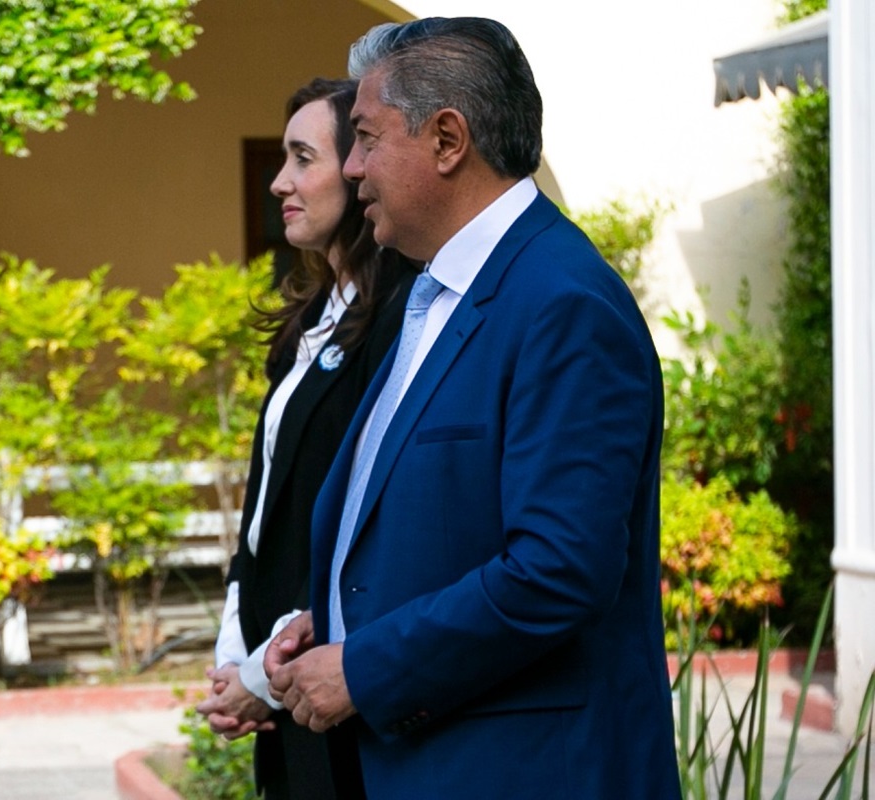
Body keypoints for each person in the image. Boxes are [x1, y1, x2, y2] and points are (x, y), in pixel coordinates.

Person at [265, 18, 682, 799]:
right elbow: (451, 521)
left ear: (448, 139)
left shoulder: (561, 303)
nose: (352, 170)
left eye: (365, 137)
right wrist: (346, 623)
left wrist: (367, 665)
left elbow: (558, 570)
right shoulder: (438, 290)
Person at [195, 77, 416, 799]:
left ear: (358, 174)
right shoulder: (309, 322)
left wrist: (265, 671)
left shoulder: (397, 323)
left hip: (328, 683)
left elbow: (366, 528)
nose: (279, 182)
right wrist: (235, 656)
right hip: (275, 685)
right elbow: (265, 514)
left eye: (301, 158)